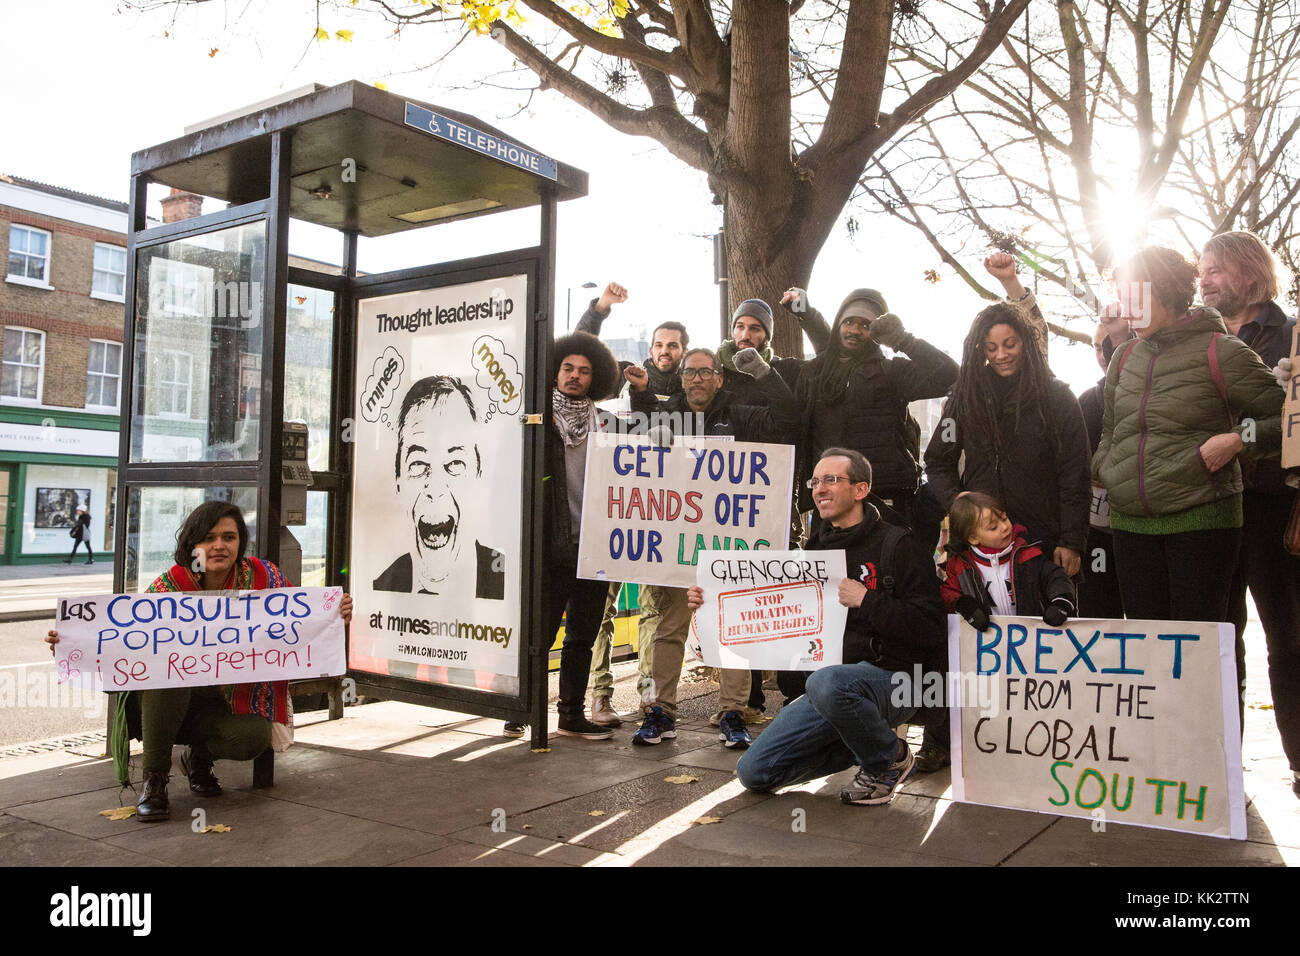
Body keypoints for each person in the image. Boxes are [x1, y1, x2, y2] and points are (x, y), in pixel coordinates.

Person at [46, 501, 354, 822]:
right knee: (169, 675)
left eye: (229, 537)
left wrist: (333, 617)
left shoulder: (266, 577)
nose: (219, 545)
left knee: (252, 738)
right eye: (208, 538)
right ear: (192, 544)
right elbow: (124, 644)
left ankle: (199, 758)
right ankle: (154, 781)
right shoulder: (167, 589)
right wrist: (72, 643)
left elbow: (299, 623)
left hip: (225, 703)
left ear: (240, 542)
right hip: (162, 706)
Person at [727, 448, 945, 804]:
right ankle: (863, 744)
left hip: (898, 680)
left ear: (860, 490)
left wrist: (868, 601)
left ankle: (886, 762)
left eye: (832, 480)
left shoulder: (898, 545)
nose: (819, 489)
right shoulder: (814, 552)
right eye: (815, 481)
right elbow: (777, 620)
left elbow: (932, 628)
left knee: (828, 682)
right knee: (754, 773)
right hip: (831, 687)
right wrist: (710, 603)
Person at [1093, 246, 1284, 654]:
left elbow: (1284, 420)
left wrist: (1237, 440)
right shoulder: (1123, 357)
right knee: (1149, 658)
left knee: (1197, 657)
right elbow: (1110, 431)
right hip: (1130, 528)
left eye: (1135, 297)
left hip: (1202, 524)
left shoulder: (1223, 351)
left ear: (1169, 292)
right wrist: (1107, 467)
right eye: (1122, 297)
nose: (1127, 309)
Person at [625, 346, 800, 750]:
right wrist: (645, 421)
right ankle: (660, 712)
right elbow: (630, 448)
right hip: (675, 545)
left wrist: (766, 375)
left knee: (730, 627)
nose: (697, 379)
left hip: (726, 548)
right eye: (690, 373)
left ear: (719, 378)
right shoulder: (668, 412)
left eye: (705, 373)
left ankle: (733, 712)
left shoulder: (739, 413)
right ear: (682, 378)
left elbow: (788, 421)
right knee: (669, 629)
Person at [503, 331, 623, 740]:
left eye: (584, 371)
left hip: (595, 545)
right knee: (540, 632)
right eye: (568, 368)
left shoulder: (609, 424)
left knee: (582, 637)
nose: (575, 376)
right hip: (548, 545)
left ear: (596, 378)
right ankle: (520, 709)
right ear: (554, 370)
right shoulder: (535, 419)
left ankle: (570, 714)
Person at [923, 300, 1091, 577]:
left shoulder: (1058, 397)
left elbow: (1076, 474)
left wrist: (1071, 541)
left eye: (1010, 344)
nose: (1001, 354)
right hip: (980, 547)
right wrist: (959, 503)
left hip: (1044, 542)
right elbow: (938, 462)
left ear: (1025, 342)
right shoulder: (965, 398)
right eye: (992, 348)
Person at [790, 287, 958, 531]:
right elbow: (822, 338)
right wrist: (801, 309)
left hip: (884, 499)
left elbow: (950, 376)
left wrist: (904, 341)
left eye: (865, 325)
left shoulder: (892, 372)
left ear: (876, 333)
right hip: (829, 500)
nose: (855, 331)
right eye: (849, 322)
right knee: (831, 570)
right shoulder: (818, 373)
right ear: (839, 325)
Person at [372, 375, 504, 600]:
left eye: (454, 464)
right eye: (418, 465)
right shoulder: (382, 588)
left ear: (478, 476)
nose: (434, 488)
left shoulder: (507, 583)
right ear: (398, 481)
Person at [941, 491, 1076, 630]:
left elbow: (1056, 577)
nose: (1004, 527)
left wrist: (1061, 603)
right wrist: (966, 607)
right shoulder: (960, 566)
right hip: (989, 644)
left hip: (1032, 638)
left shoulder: (1029, 554)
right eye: (993, 527)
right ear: (973, 538)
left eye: (1004, 518)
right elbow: (948, 594)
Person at [1075, 323, 1126, 618]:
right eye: (1097, 346)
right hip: (1096, 535)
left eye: (1111, 343)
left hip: (1144, 530)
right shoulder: (1086, 402)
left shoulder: (1156, 395)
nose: (1104, 353)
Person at [720, 297, 830, 403]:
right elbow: (702, 412)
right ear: (733, 330)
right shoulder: (713, 369)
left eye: (754, 329)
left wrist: (807, 314)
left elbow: (830, 366)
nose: (745, 336)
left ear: (766, 337)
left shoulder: (787, 371)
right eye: (740, 327)